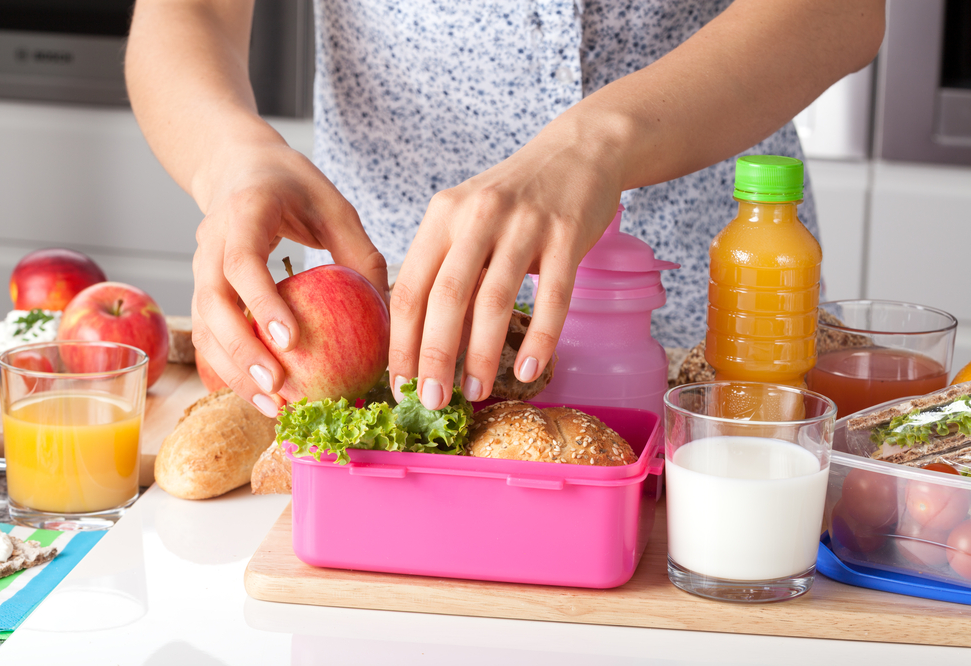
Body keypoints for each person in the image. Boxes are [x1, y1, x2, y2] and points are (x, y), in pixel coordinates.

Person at [125, 0, 885, 417]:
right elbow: (184, 12)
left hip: (722, 333)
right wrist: (232, 160)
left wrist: (598, 144)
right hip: (394, 349)